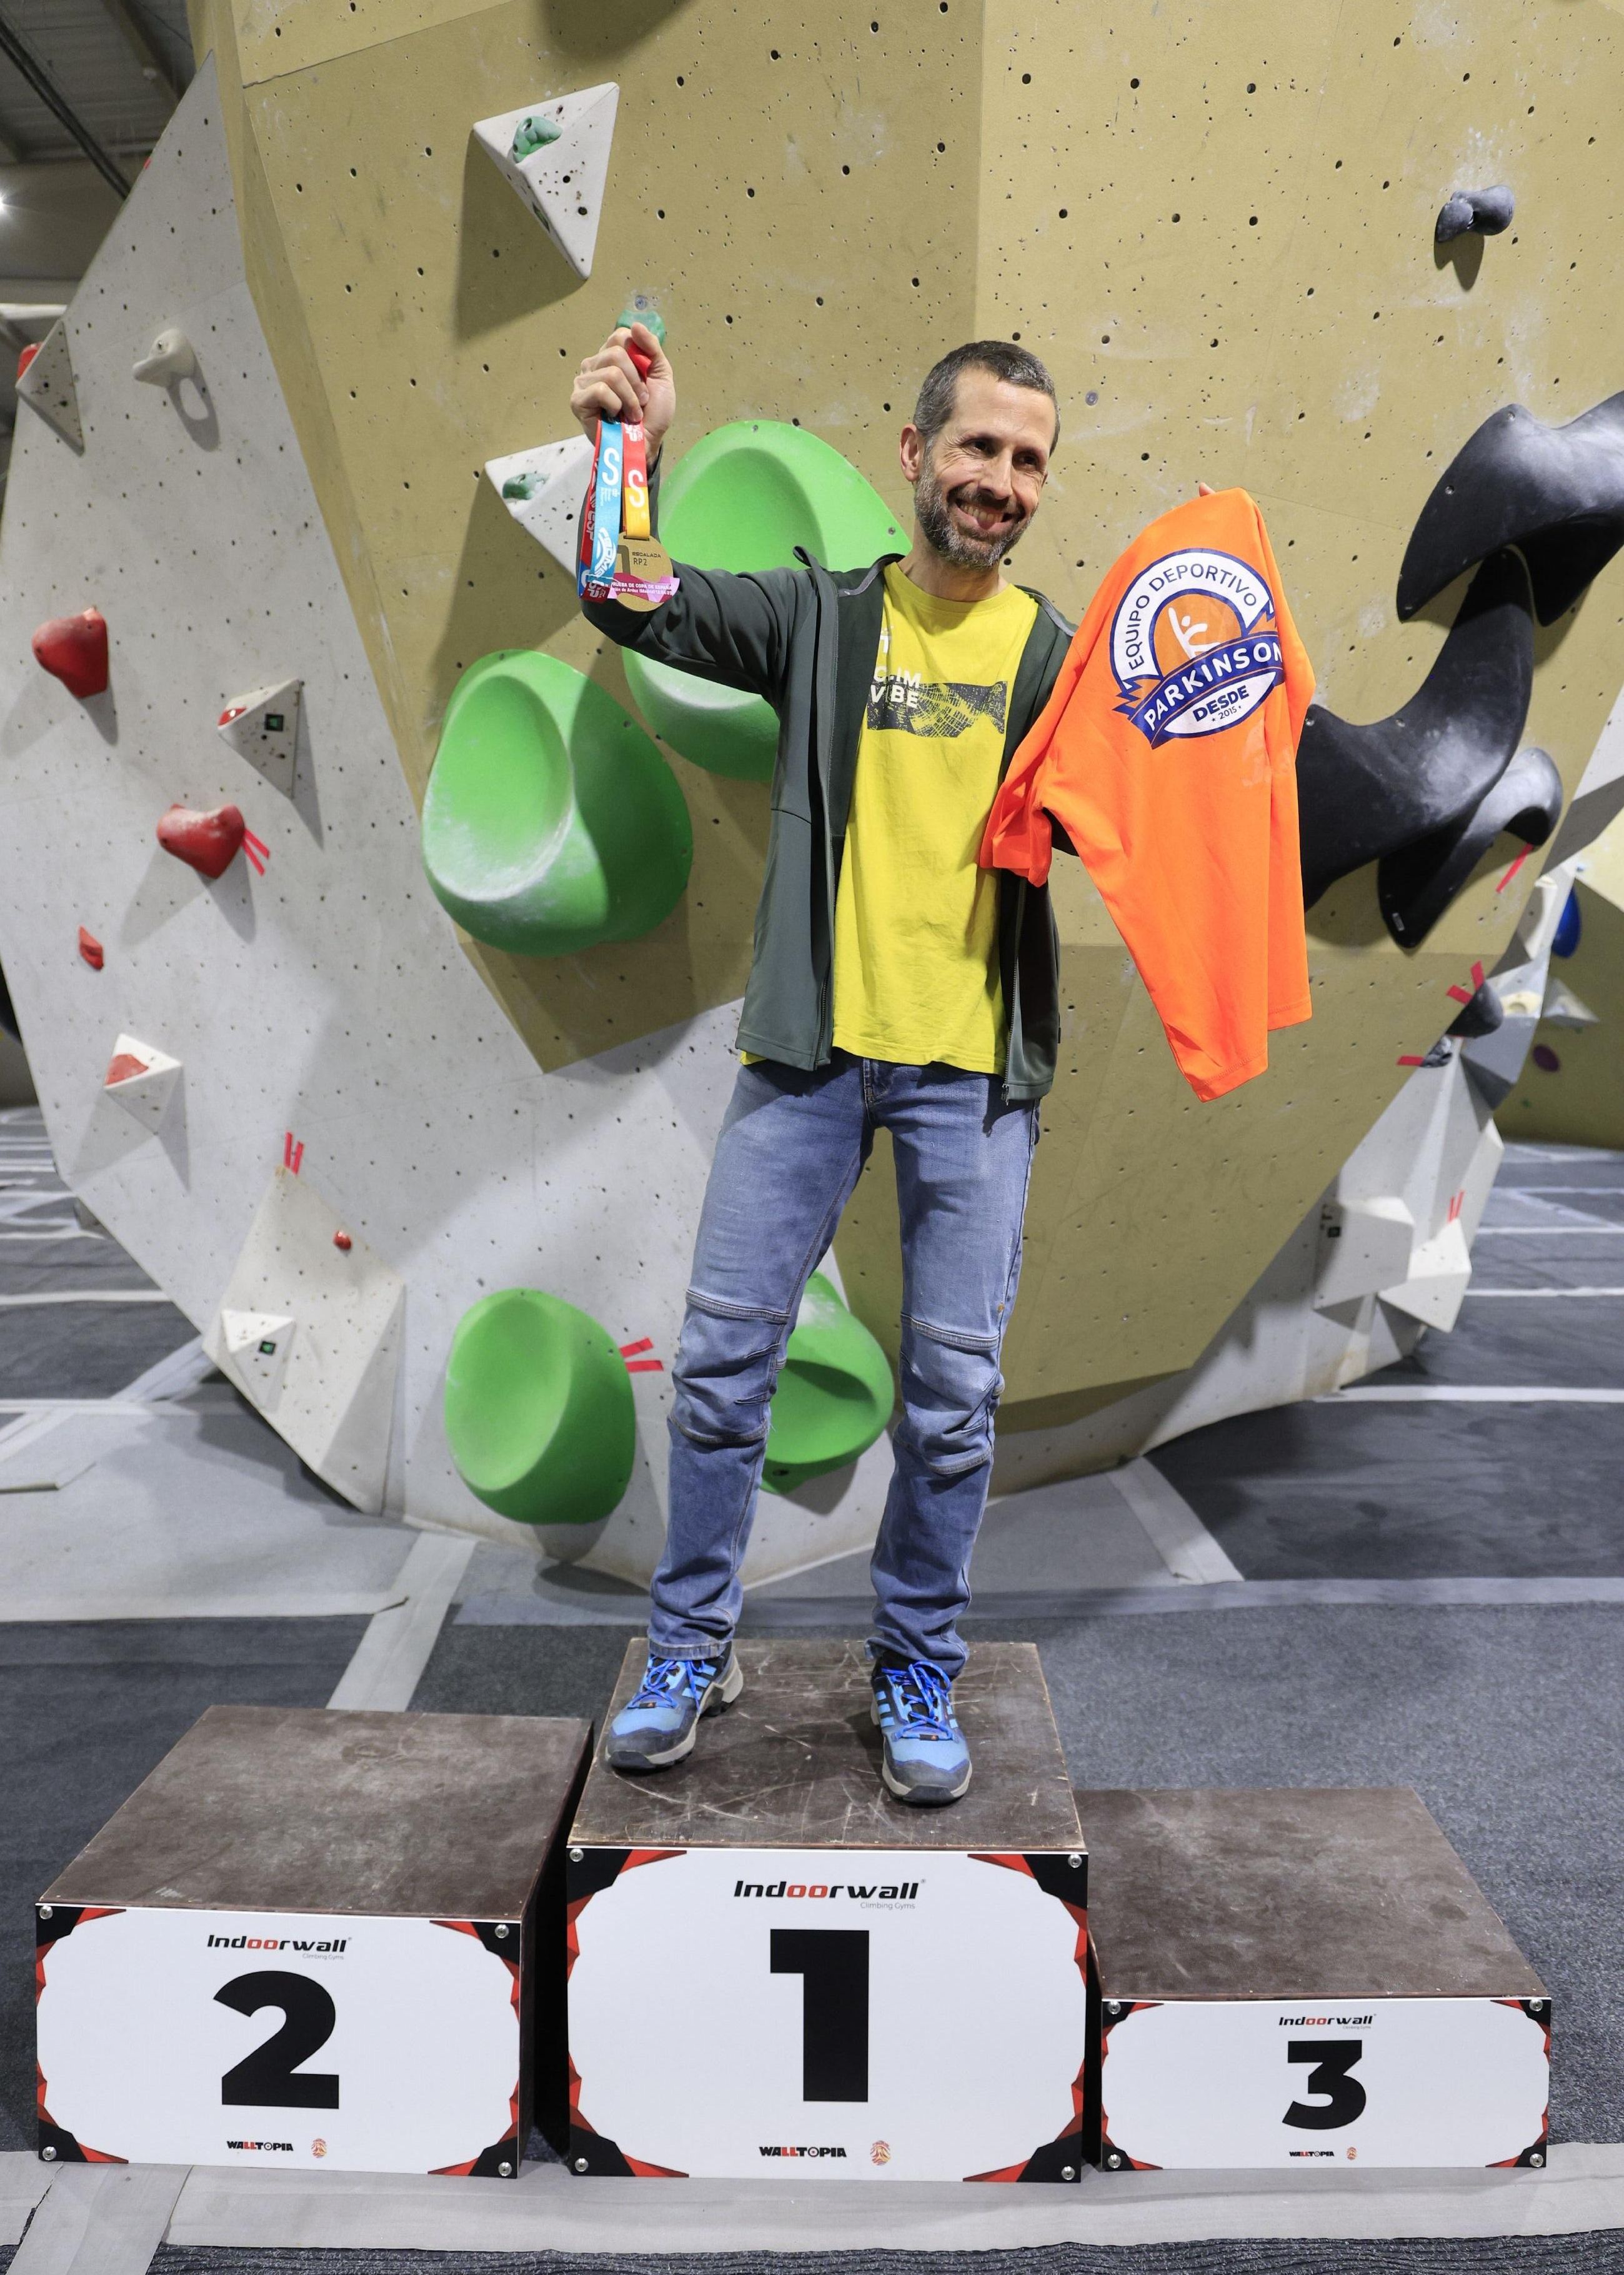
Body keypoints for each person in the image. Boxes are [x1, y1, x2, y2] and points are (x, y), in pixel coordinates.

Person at [570, 324, 1073, 1804]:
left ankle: (914, 1662)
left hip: (972, 1075)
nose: (998, 480)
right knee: (723, 1371)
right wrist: (629, 451)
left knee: (953, 1399)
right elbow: (627, 595)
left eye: (1026, 459)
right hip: (812, 1057)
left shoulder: (1059, 661)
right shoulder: (822, 618)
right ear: (915, 454)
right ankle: (690, 1648)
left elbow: (1176, 801)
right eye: (977, 446)